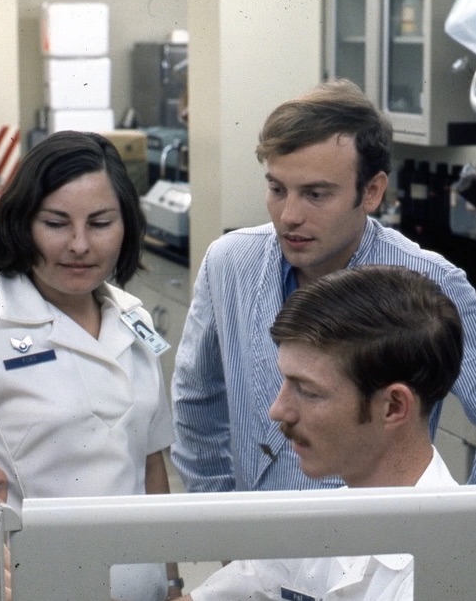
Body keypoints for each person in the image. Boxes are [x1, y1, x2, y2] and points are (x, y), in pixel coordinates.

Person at [171, 78, 476, 493]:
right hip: (256, 538)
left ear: (371, 191)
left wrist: (454, 529)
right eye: (277, 189)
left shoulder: (432, 282)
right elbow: (196, 401)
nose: (289, 215)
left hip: (372, 543)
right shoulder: (230, 263)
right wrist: (219, 517)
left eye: (315, 194)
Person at [0, 130, 183, 601]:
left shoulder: (134, 319)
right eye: (56, 223)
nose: (79, 244)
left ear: (126, 227)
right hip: (36, 587)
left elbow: (149, 464)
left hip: (142, 587)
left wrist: (172, 580)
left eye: (100, 223)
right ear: (23, 224)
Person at [179, 264, 463, 601]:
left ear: (393, 407)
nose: (278, 410)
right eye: (286, 382)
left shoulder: (447, 572)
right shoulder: (323, 521)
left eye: (308, 391)